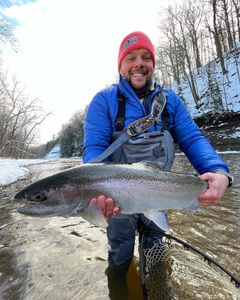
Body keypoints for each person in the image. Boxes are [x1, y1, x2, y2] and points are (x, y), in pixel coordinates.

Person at [83, 31, 233, 299]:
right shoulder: (103, 101)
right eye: (131, 58)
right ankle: (119, 288)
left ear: (153, 64)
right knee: (120, 255)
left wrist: (219, 171)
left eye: (145, 57)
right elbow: (94, 151)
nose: (139, 63)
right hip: (116, 202)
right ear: (120, 66)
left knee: (156, 260)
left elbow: (192, 138)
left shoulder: (170, 101)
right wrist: (95, 191)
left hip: (158, 194)